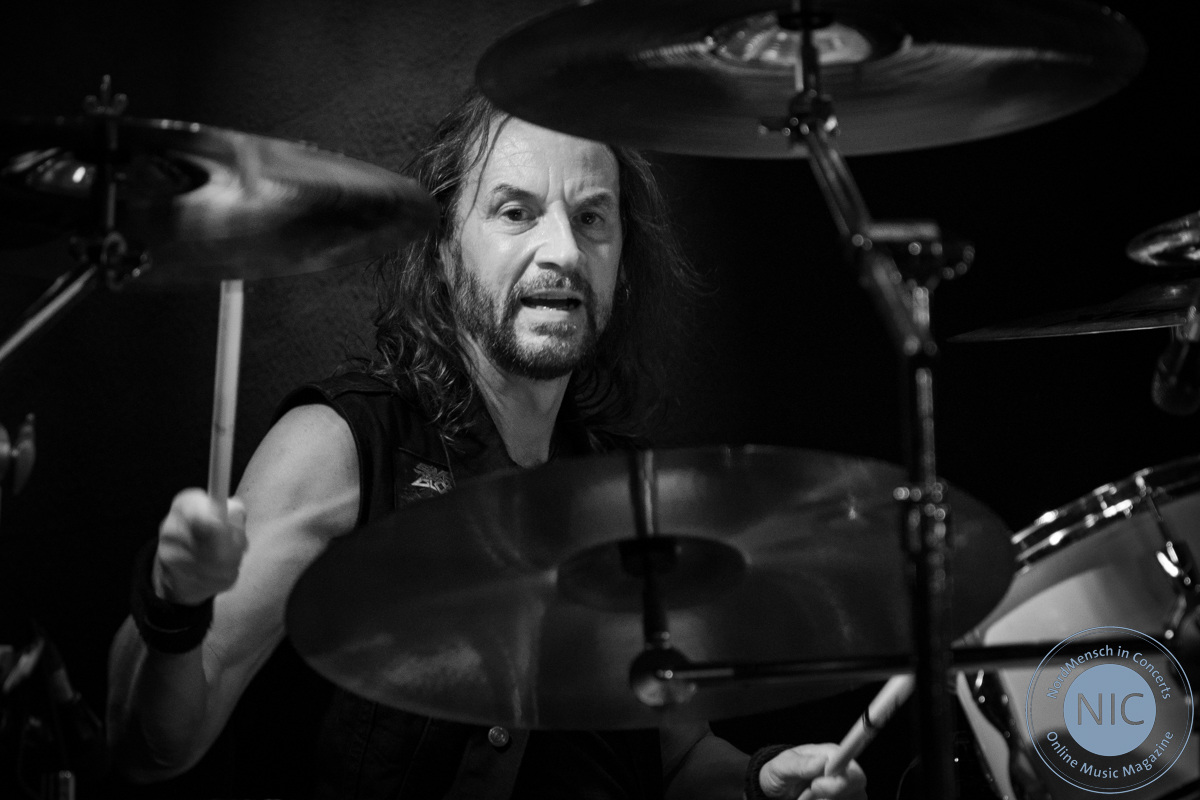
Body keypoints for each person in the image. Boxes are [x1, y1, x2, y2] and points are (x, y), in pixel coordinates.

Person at [106, 89, 868, 800]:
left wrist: (761, 781)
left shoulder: (626, 493)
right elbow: (153, 747)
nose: (564, 250)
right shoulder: (341, 448)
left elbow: (674, 757)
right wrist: (175, 606)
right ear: (444, 246)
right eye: (515, 212)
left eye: (592, 218)